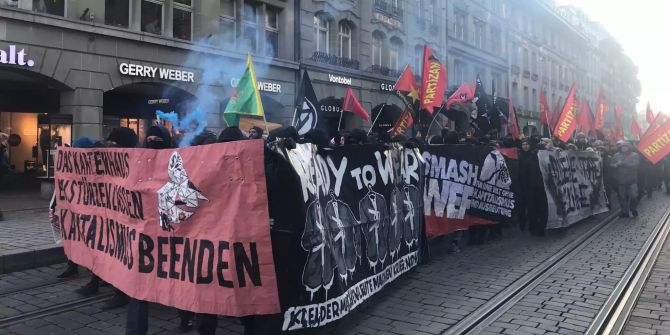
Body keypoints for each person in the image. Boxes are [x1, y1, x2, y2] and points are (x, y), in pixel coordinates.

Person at [75, 128, 138, 310]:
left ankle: (122, 293)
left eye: (114, 144)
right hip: (106, 214)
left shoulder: (136, 161)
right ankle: (96, 281)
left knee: (122, 254)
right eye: (109, 143)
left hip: (126, 218)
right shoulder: (107, 160)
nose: (109, 147)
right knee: (101, 249)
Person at [53, 136, 95, 279]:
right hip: (72, 209)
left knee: (88, 239)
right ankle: (72, 264)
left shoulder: (93, 165)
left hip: (88, 210)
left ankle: (92, 268)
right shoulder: (69, 165)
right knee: (71, 237)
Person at [611, 141, 640, 218]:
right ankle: (625, 212)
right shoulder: (616, 155)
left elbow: (635, 165)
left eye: (626, 146)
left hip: (632, 179)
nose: (624, 148)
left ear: (629, 147)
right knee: (622, 197)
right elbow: (611, 165)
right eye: (622, 147)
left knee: (634, 196)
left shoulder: (634, 155)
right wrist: (615, 165)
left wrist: (623, 163)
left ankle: (633, 208)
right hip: (621, 179)